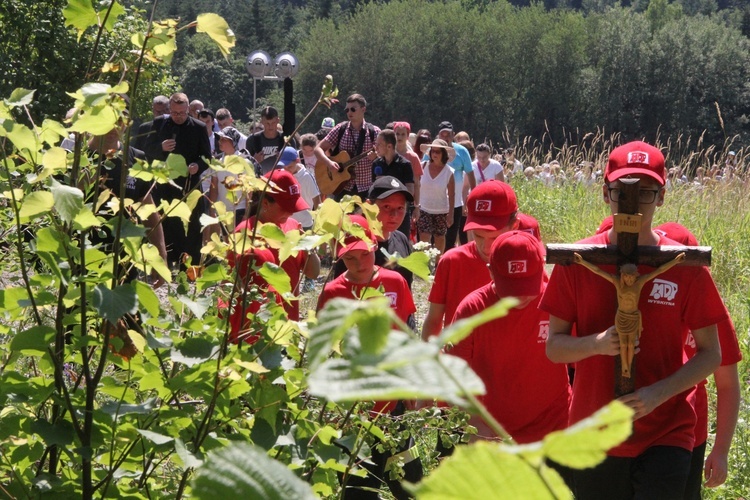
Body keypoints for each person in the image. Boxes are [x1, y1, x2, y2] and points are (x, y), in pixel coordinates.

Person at [540, 141, 726, 499]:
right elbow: (554, 348)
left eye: (645, 192)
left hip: (666, 428)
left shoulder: (682, 264)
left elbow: (711, 354)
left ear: (662, 196)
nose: (632, 203)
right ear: (605, 192)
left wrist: (658, 394)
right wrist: (596, 344)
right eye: (620, 191)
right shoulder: (581, 262)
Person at [317, 214, 421, 500]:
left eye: (364, 254)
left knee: (411, 483)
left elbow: (408, 329)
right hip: (353, 408)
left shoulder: (396, 281)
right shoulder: (332, 293)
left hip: (393, 399)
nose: (360, 264)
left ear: (375, 246)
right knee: (358, 489)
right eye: (350, 258)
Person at [451, 231, 570, 444]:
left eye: (527, 286)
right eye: (511, 288)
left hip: (554, 429)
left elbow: (585, 359)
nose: (520, 297)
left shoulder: (556, 300)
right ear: (491, 273)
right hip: (493, 434)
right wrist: (476, 423)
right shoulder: (472, 310)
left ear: (542, 269)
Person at [653, 222, 742, 499]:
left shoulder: (712, 315)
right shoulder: (640, 300)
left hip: (691, 432)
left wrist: (721, 450)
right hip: (644, 422)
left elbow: (727, 383)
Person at [421, 180, 519, 340]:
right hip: (459, 359)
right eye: (478, 236)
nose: (486, 247)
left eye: (494, 237)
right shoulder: (452, 261)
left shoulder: (526, 265)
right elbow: (434, 320)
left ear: (515, 225)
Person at [234, 169, 320, 321]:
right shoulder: (245, 233)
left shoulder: (294, 227)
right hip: (254, 325)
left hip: (287, 323)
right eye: (286, 208)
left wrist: (306, 245)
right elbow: (233, 285)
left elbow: (313, 273)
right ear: (265, 203)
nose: (291, 213)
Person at [141, 92, 212, 268]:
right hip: (165, 184)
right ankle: (166, 263)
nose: (178, 117)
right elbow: (146, 150)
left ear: (188, 110)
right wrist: (161, 147)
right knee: (166, 223)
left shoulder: (199, 127)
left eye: (181, 113)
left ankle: (189, 267)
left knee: (192, 225)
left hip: (189, 184)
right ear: (169, 110)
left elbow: (206, 156)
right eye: (174, 113)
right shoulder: (159, 123)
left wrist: (197, 165)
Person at [333, 176, 415, 289]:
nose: (394, 215)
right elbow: (341, 290)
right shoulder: (354, 243)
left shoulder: (401, 239)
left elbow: (406, 289)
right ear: (368, 206)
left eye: (400, 208)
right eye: (387, 206)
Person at [314, 94, 380, 199]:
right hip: (342, 188)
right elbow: (318, 149)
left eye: (353, 109)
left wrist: (376, 157)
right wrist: (329, 163)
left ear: (363, 109)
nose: (349, 112)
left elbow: (384, 156)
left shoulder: (374, 132)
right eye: (347, 110)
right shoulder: (340, 129)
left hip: (365, 188)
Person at [435, 122, 475, 252]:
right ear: (438, 135)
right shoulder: (432, 150)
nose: (445, 138)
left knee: (450, 240)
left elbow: (470, 174)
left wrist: (473, 197)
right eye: (443, 134)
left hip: (456, 203)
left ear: (453, 135)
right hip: (435, 203)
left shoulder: (462, 151)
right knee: (435, 240)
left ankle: (447, 267)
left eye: (448, 135)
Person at [372, 129, 415, 236]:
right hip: (381, 214)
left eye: (379, 144)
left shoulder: (405, 164)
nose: (376, 148)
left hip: (399, 214)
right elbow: (372, 191)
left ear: (389, 146)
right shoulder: (376, 164)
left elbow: (410, 190)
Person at [415, 139, 455, 255]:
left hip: (441, 210)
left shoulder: (449, 172)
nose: (435, 154)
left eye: (438, 152)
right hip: (423, 208)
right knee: (424, 237)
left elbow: (452, 195)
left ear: (444, 154)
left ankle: (438, 265)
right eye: (433, 151)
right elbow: (416, 186)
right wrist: (415, 206)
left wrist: (451, 214)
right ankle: (425, 265)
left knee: (440, 238)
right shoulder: (423, 166)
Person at [248, 106, 296, 175]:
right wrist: (254, 161)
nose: (270, 126)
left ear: (278, 121)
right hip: (260, 179)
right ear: (262, 122)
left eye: (273, 123)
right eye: (267, 123)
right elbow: (245, 165)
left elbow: (295, 163)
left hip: (282, 178)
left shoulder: (287, 140)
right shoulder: (252, 140)